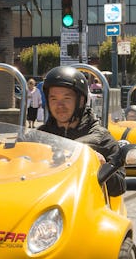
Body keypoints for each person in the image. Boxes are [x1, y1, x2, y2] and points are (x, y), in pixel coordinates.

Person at [36, 66, 125, 196]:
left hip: (84, 207)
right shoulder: (38, 136)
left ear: (81, 100)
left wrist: (103, 166)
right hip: (44, 206)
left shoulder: (101, 138)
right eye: (53, 99)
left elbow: (120, 187)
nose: (59, 105)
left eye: (66, 99)